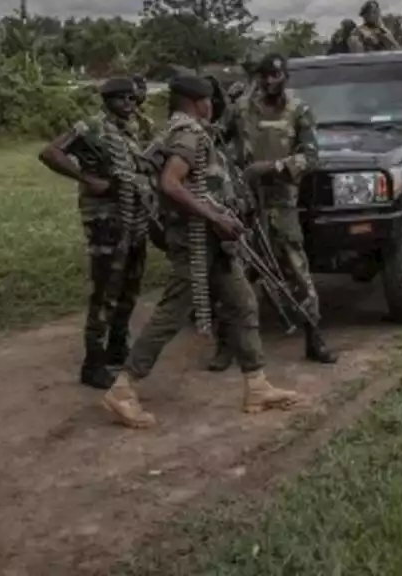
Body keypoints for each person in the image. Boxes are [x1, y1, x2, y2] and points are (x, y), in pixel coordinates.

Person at [101, 74, 302, 429]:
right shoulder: (189, 133)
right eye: (209, 100)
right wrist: (215, 216)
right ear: (199, 102)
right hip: (195, 240)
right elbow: (170, 182)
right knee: (172, 314)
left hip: (211, 241)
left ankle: (256, 385)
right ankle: (123, 388)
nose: (212, 106)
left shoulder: (179, 129)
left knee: (242, 303)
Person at [220, 53, 336, 367]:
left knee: (298, 272)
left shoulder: (299, 110)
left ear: (284, 76)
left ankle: (315, 338)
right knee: (232, 274)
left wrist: (271, 167)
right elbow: (218, 140)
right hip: (244, 205)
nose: (270, 81)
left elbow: (311, 156)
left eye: (276, 75)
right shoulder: (242, 109)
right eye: (264, 76)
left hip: (281, 204)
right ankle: (226, 346)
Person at [38, 77, 151, 389]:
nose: (129, 104)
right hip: (105, 220)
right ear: (107, 101)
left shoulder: (134, 127)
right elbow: (50, 153)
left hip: (134, 217)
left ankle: (117, 346)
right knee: (106, 288)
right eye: (121, 99)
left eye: (132, 98)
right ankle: (93, 362)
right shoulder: (91, 126)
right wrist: (87, 178)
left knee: (130, 284)